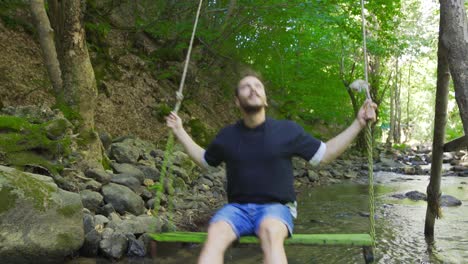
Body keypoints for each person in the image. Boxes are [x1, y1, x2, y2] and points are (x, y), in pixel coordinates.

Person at [166, 72, 377, 264]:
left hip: (277, 208)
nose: (253, 89)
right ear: (237, 101)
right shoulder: (227, 136)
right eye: (245, 86)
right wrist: (180, 131)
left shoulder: (287, 130)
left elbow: (324, 154)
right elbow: (205, 161)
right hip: (237, 209)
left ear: (266, 99)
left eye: (258, 86)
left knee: (269, 231)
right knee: (215, 233)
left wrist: (358, 124)